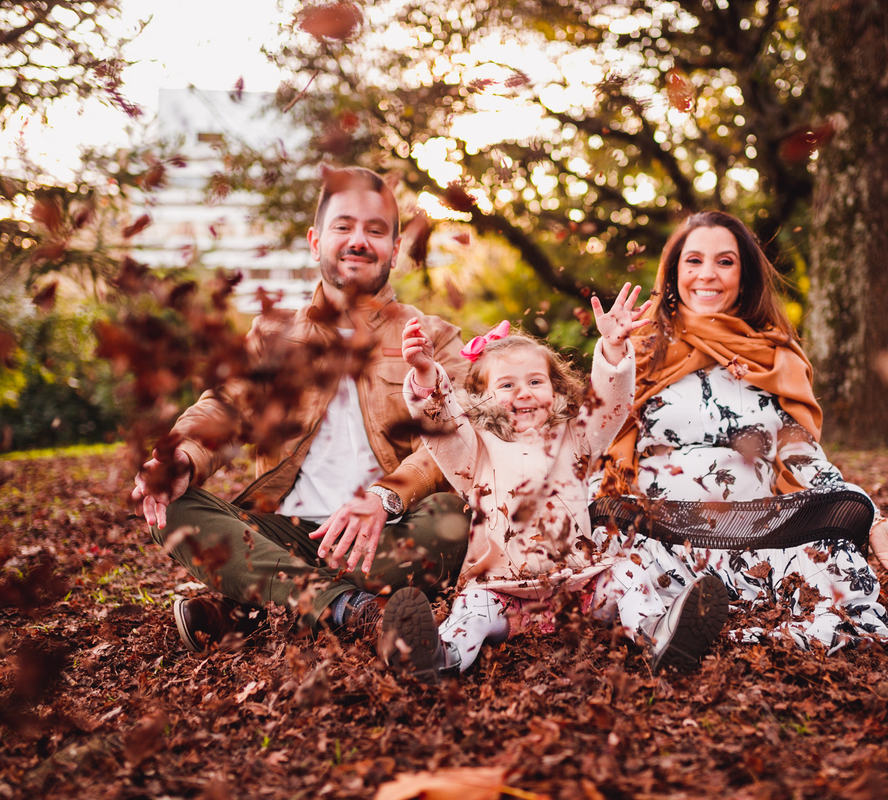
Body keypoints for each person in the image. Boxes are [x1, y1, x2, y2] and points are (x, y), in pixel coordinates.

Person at [132, 166, 472, 653]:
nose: (359, 241)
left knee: (453, 518)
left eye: (376, 231)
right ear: (316, 241)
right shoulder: (273, 335)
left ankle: (259, 600)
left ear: (395, 249)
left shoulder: (435, 336)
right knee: (174, 506)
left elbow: (457, 438)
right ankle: (346, 606)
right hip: (287, 533)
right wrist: (183, 458)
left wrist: (386, 497)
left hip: (390, 535)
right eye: (343, 226)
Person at [590, 210, 888, 654]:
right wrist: (612, 354)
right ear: (673, 273)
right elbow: (597, 436)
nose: (707, 274)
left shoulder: (775, 357)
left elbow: (803, 458)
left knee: (840, 547)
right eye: (694, 260)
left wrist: (872, 521)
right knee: (613, 574)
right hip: (659, 540)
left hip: (758, 540)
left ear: (745, 275)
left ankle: (741, 639)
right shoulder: (637, 352)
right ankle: (671, 628)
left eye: (725, 261)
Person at [379, 284, 731, 681]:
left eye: (535, 382)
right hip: (504, 592)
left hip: (579, 589)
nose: (523, 393)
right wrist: (426, 374)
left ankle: (658, 634)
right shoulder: (473, 448)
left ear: (555, 387)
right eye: (507, 385)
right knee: (472, 612)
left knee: (629, 573)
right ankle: (439, 656)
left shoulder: (576, 437)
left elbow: (610, 406)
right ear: (482, 396)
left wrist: (614, 348)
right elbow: (440, 423)